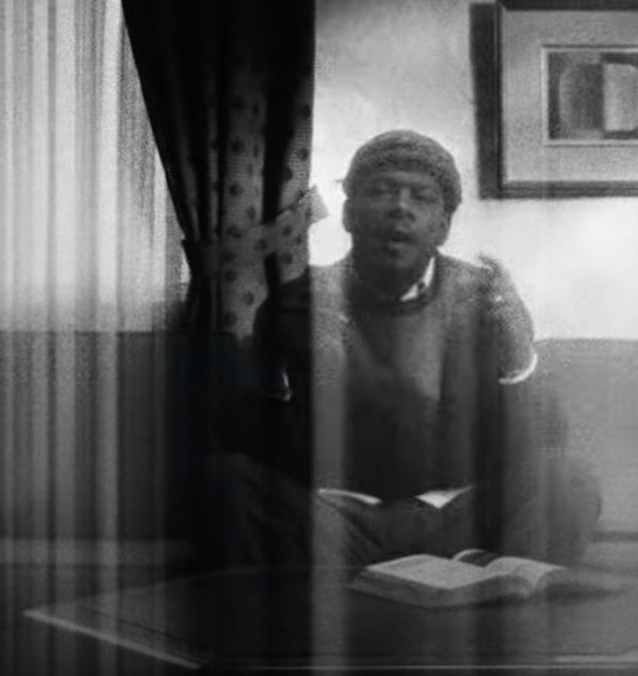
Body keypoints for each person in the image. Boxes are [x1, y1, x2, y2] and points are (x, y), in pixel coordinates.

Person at [202, 130, 601, 569]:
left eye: (421, 197)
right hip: (335, 518)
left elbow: (544, 446)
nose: (400, 208)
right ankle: (314, 611)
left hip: (456, 515)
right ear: (349, 214)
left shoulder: (485, 301)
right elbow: (251, 445)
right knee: (225, 481)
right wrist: (299, 379)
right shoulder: (298, 302)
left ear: (443, 226)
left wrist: (518, 358)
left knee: (568, 481)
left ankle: (496, 595)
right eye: (381, 191)